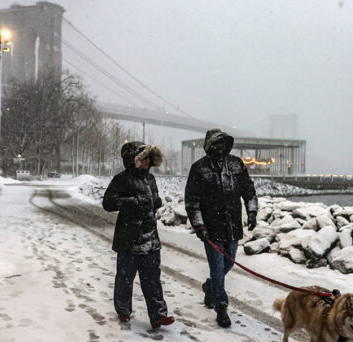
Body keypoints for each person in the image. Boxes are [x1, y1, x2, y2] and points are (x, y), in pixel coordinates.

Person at [185, 129, 257, 328]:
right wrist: (199, 225)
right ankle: (221, 307)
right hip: (211, 227)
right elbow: (192, 201)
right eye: (217, 144)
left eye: (223, 144)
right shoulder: (199, 168)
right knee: (217, 269)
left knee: (229, 263)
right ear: (209, 146)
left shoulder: (236, 164)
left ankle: (211, 287)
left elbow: (248, 189)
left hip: (233, 226)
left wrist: (252, 211)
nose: (221, 148)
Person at [102, 141, 174, 329]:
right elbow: (108, 203)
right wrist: (130, 202)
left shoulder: (150, 179)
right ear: (133, 160)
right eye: (144, 158)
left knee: (152, 279)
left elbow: (154, 200)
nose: (148, 161)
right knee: (125, 278)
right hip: (128, 239)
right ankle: (123, 309)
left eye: (149, 158)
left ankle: (158, 315)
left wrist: (155, 203)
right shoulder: (121, 179)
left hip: (150, 237)